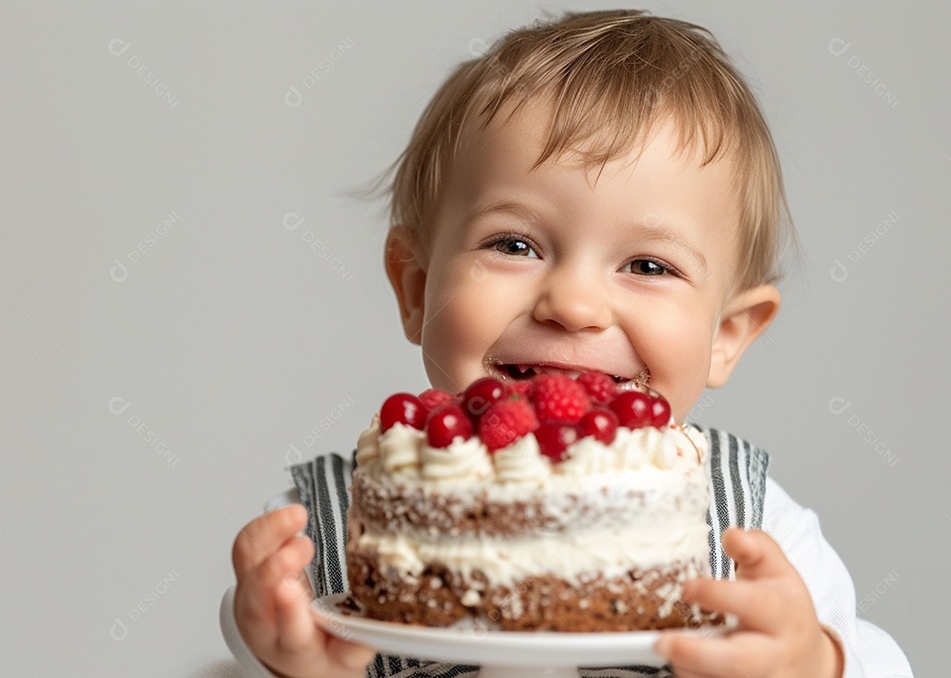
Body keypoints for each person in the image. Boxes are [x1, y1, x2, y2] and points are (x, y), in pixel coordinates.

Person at [226, 10, 912, 677]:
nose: (574, 306)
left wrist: (813, 663)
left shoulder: (759, 529)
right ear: (415, 287)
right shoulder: (323, 529)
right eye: (515, 244)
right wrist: (289, 663)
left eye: (648, 266)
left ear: (726, 336)